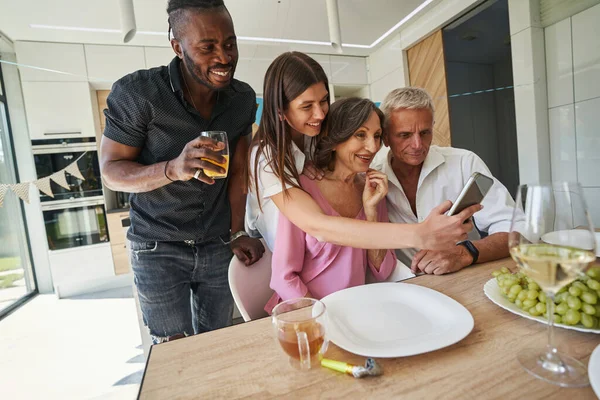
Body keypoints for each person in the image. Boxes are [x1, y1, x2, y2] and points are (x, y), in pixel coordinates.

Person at [99, 0, 264, 343]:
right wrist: (173, 169)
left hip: (217, 245)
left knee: (218, 342)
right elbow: (111, 171)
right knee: (174, 351)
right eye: (207, 47)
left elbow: (237, 176)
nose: (224, 56)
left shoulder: (242, 99)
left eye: (229, 43)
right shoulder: (138, 94)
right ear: (177, 46)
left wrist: (236, 233)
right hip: (157, 246)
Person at [246, 52, 482, 256]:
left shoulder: (314, 142)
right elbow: (318, 227)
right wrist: (419, 234)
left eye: (324, 101)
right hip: (282, 256)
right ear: (280, 111)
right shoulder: (267, 157)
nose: (319, 114)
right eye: (307, 107)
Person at [266, 98, 396, 312]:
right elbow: (284, 278)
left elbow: (383, 271)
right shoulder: (302, 190)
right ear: (334, 139)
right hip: (303, 313)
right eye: (360, 135)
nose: (373, 147)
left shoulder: (372, 190)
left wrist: (371, 212)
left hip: (352, 312)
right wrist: (321, 318)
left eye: (377, 136)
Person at [371, 87, 515, 276]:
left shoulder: (465, 162)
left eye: (424, 133)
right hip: (403, 288)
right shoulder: (370, 178)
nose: (417, 145)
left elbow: (516, 231)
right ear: (386, 138)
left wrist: (465, 252)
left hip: (462, 280)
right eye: (404, 135)